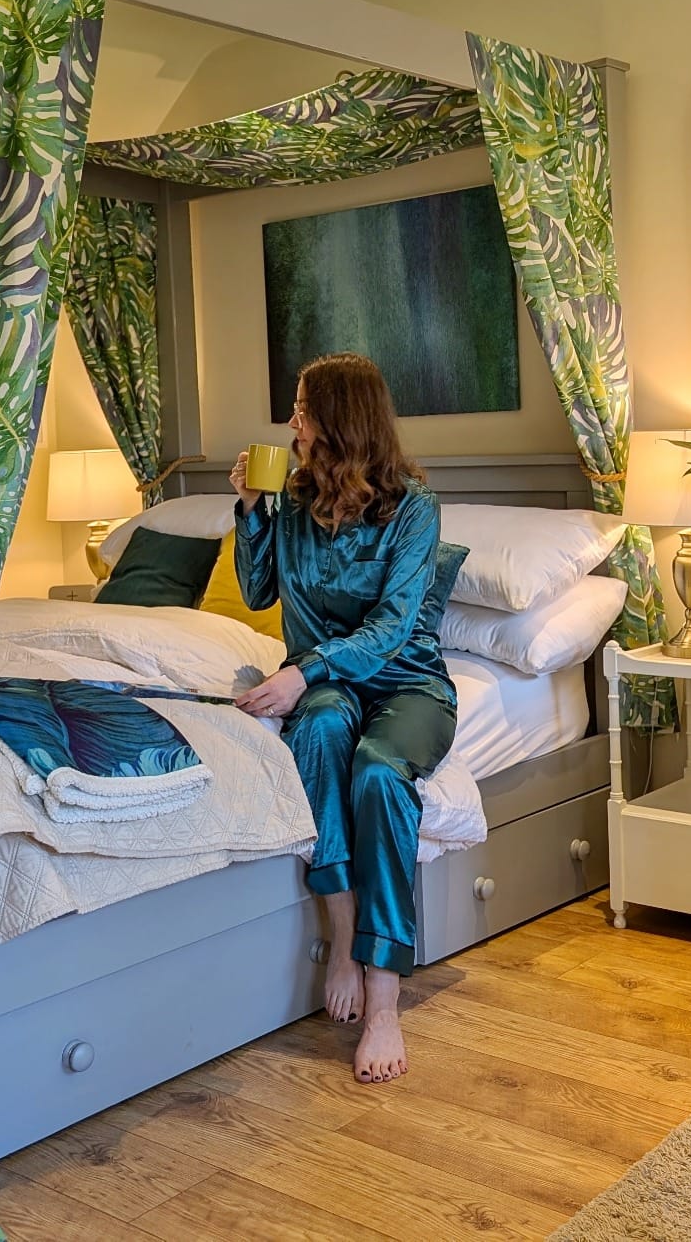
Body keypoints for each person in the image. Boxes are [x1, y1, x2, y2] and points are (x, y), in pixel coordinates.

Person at [230, 353, 455, 1084]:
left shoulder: (414, 509)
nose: (291, 422)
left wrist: (302, 672)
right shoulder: (293, 503)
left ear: (339, 419)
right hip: (328, 688)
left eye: (302, 408)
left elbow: (392, 627)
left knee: (378, 772)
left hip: (408, 685)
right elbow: (258, 593)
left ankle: (385, 999)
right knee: (323, 730)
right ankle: (342, 931)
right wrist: (252, 510)